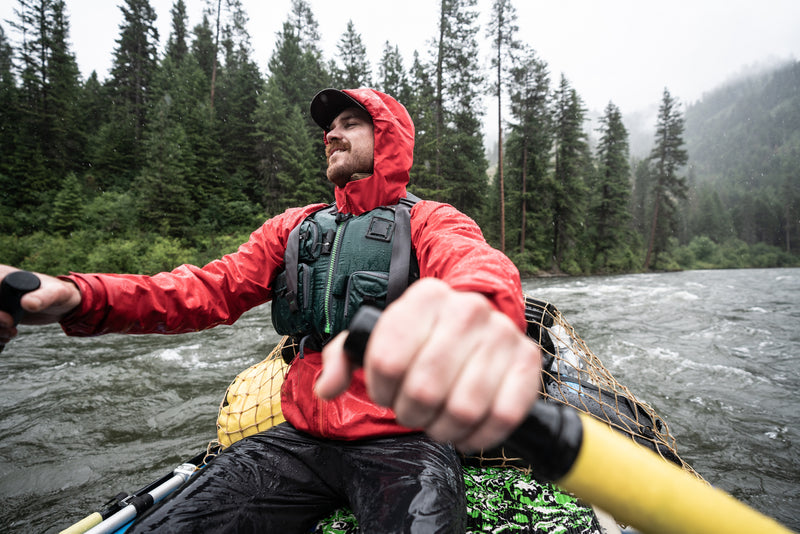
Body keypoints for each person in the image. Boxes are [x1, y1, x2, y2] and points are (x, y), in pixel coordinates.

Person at [0, 88, 541, 533]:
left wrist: (482, 321)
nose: (331, 135)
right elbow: (201, 290)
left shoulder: (430, 220)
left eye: (352, 123)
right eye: (330, 128)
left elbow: (479, 270)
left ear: (390, 139)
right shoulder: (292, 229)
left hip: (405, 441)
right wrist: (78, 295)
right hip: (300, 438)